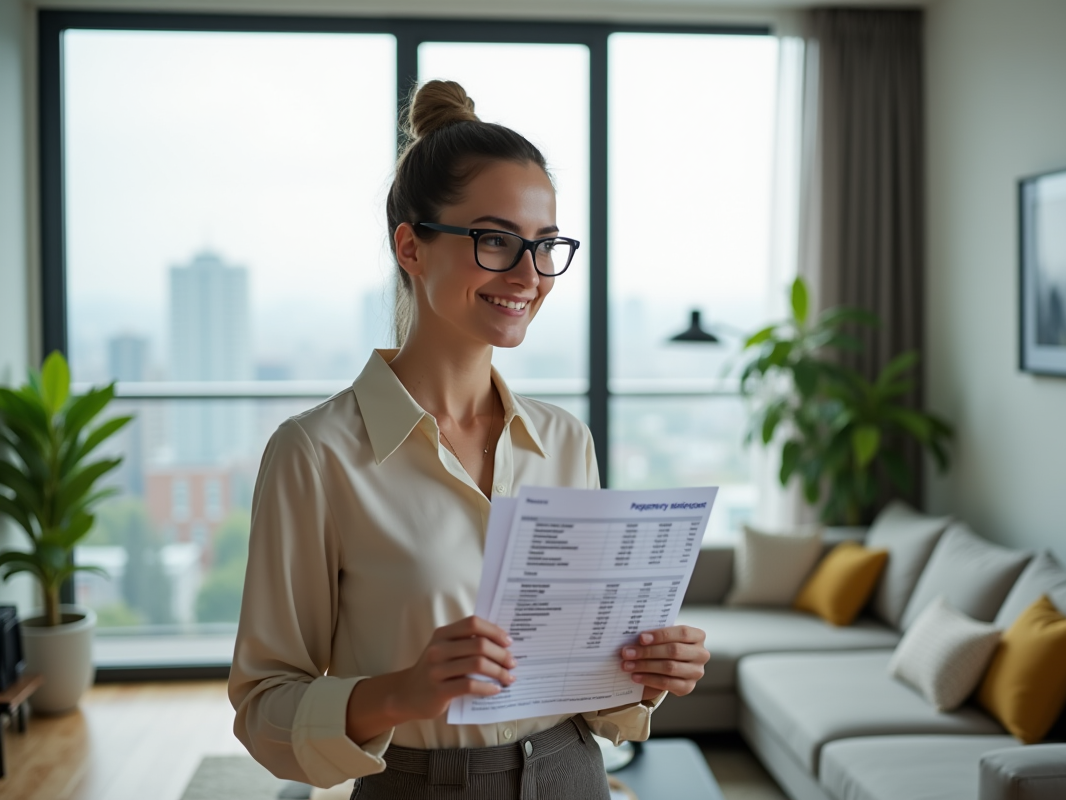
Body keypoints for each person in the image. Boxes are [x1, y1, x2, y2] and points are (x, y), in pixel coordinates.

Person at [228, 80, 710, 800]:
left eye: (546, 246)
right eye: (495, 240)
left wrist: (642, 674)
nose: (529, 275)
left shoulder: (565, 440)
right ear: (410, 247)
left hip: (575, 776)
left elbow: (587, 686)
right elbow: (264, 709)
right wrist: (401, 692)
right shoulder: (315, 455)